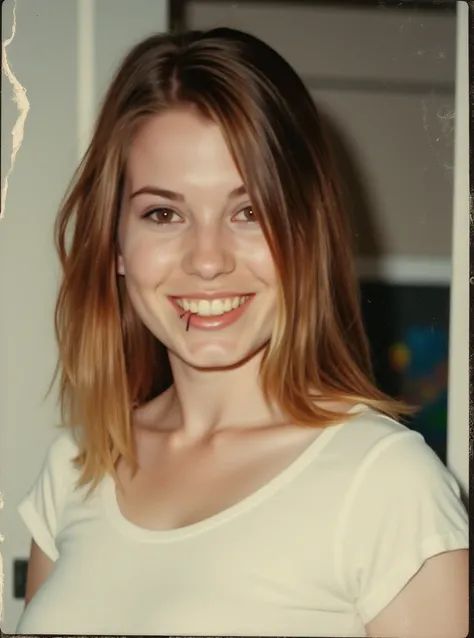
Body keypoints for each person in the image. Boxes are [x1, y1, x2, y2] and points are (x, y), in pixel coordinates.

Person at [16, 27, 468, 637]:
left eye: (248, 211)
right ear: (116, 243)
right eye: (164, 213)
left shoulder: (386, 485)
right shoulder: (74, 469)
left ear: (304, 234)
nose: (208, 259)